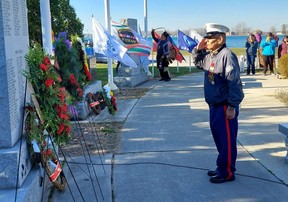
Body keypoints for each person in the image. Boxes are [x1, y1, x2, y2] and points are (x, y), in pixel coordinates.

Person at [192, 23, 244, 183]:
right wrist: (198, 49)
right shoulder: (212, 55)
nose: (206, 41)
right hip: (214, 105)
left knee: (226, 140)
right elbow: (198, 63)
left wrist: (231, 106)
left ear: (220, 38)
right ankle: (222, 166)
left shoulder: (227, 55)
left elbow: (234, 82)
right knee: (219, 139)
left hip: (224, 106)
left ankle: (227, 172)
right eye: (205, 38)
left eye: (209, 38)